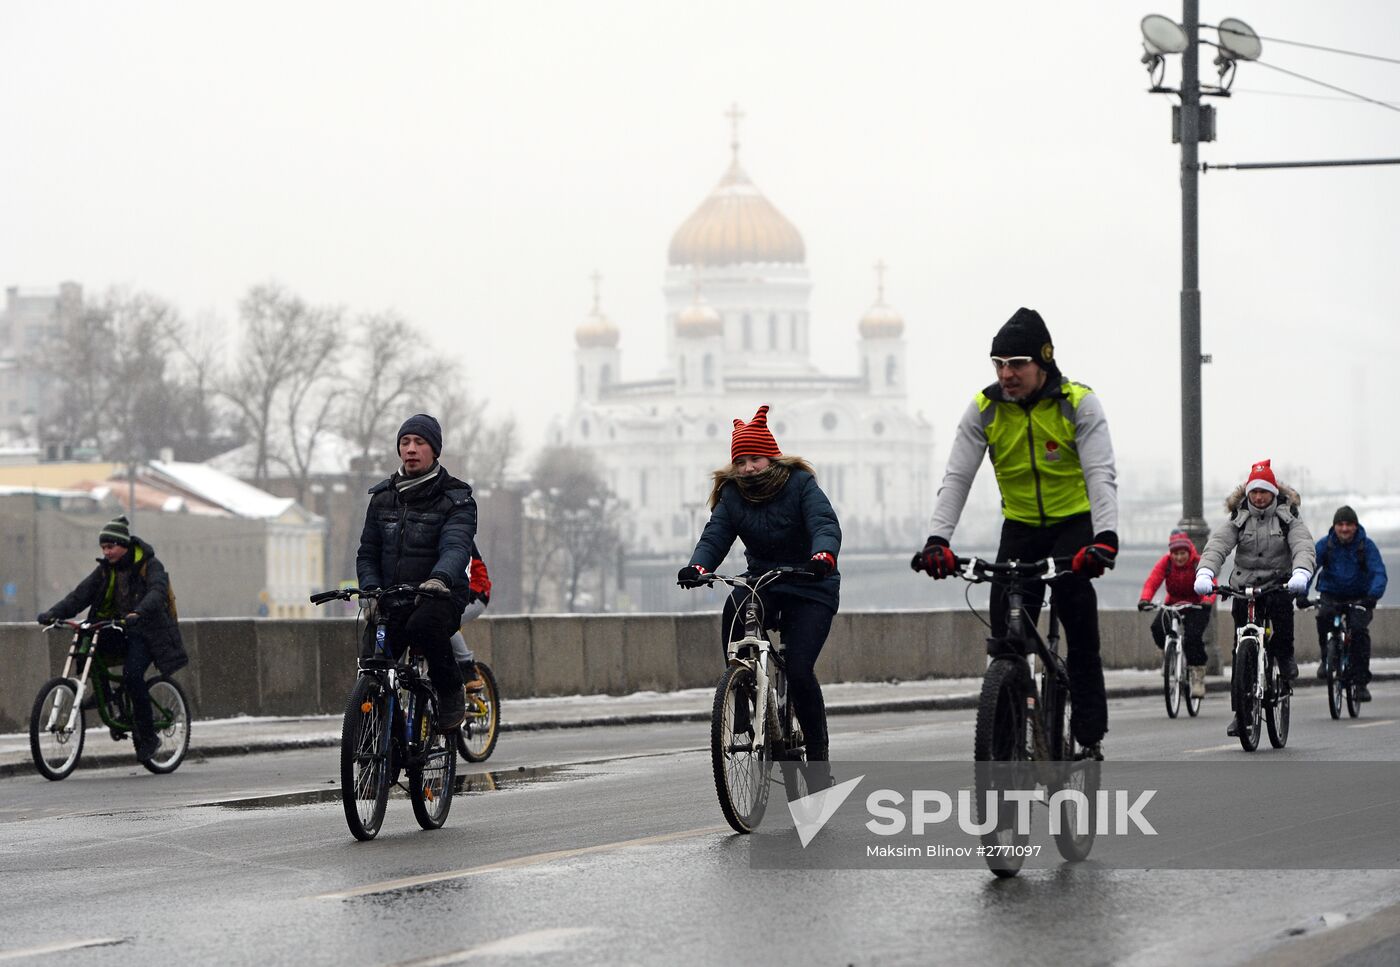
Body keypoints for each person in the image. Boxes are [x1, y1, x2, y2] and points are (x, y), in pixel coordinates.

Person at [910, 307, 1117, 760]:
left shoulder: (1077, 403)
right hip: (1021, 528)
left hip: (1074, 525)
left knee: (1078, 616)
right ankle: (1004, 742)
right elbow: (957, 478)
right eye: (999, 364)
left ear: (1043, 362)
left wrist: (1104, 538)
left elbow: (1101, 475)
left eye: (1017, 364)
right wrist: (937, 541)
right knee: (1005, 634)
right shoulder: (985, 408)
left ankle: (1088, 732)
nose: (1006, 374)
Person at [677, 404, 841, 766]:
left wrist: (823, 556)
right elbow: (715, 535)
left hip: (810, 583)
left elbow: (823, 523)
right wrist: (698, 566)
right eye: (741, 461)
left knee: (799, 670)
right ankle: (740, 693)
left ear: (772, 458)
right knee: (735, 606)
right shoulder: (733, 496)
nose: (748, 467)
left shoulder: (800, 484)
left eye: (755, 459)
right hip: (764, 581)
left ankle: (817, 756)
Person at [357, 414, 476, 731]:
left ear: (434, 450)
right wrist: (369, 589)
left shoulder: (456, 498)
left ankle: (450, 690)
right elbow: (368, 552)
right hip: (394, 596)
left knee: (424, 625)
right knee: (375, 658)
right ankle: (382, 732)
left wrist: (440, 578)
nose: (411, 449)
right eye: (405, 442)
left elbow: (456, 546)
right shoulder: (383, 497)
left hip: (440, 594)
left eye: (419, 442)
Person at [37, 515, 188, 763]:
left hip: (146, 631)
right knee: (86, 646)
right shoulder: (105, 571)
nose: (106, 552)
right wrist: (54, 613)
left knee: (132, 675)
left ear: (124, 545)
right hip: (117, 628)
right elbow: (79, 596)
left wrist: (138, 612)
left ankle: (149, 736)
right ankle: (104, 692)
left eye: (111, 547)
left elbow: (157, 591)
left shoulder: (149, 565)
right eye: (103, 548)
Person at [1194, 459, 1314, 736]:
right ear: (1248, 494)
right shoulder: (1239, 518)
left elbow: (1303, 546)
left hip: (1277, 584)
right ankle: (1241, 713)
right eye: (1254, 492)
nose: (1259, 497)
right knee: (1241, 648)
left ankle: (1284, 658)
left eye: (1264, 491)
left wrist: (1300, 572)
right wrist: (1205, 573)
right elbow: (1218, 546)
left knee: (1282, 623)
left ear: (1273, 492)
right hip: (1244, 587)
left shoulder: (1288, 519)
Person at [1312, 505, 1386, 701]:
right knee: (1323, 617)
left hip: (1359, 597)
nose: (1344, 529)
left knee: (1359, 631)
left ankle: (1360, 682)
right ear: (1334, 526)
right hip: (1331, 594)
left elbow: (1378, 573)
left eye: (1349, 525)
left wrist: (1372, 596)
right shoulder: (1325, 544)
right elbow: (1309, 568)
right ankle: (1327, 659)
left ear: (1356, 526)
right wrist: (1301, 593)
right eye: (1340, 524)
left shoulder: (1366, 546)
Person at [1138, 530, 1215, 699]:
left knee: (1193, 638)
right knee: (1157, 628)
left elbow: (1210, 582)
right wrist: (1145, 599)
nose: (1179, 558)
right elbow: (1153, 581)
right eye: (1175, 554)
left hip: (1196, 605)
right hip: (1173, 603)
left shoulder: (1198, 563)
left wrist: (1207, 601)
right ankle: (1169, 653)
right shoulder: (1166, 563)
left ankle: (1197, 676)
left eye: (1182, 553)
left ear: (1189, 552)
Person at [448, 541, 491, 691]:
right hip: (451, 596)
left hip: (476, 594)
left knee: (448, 622)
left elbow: (475, 572)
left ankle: (468, 667)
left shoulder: (462, 538)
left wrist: (470, 592)